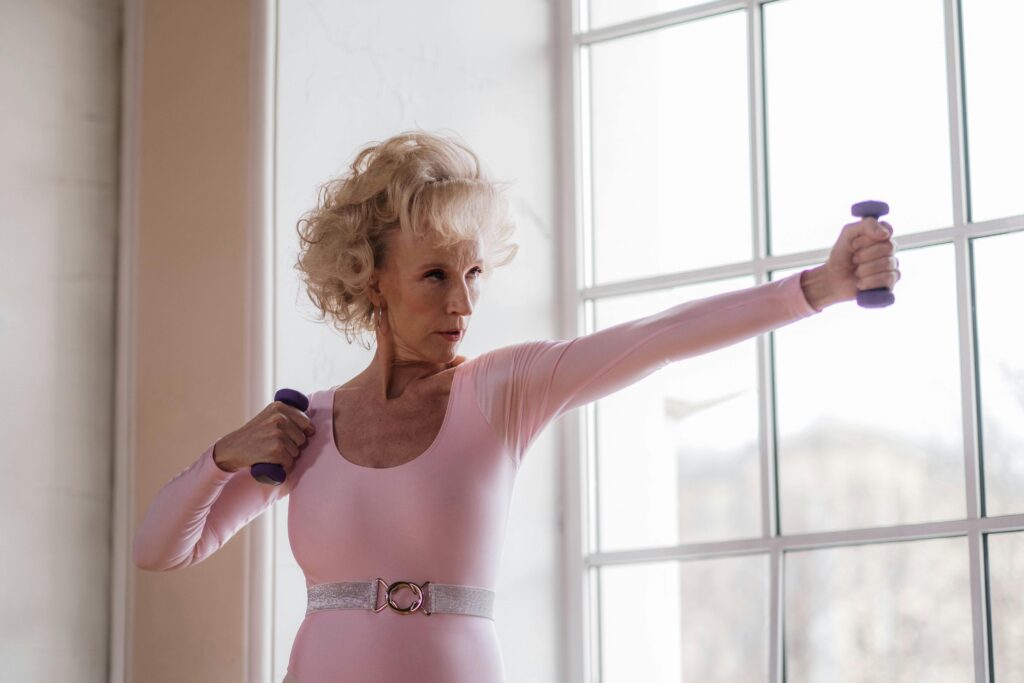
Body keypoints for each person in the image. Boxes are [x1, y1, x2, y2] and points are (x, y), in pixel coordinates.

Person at [132, 130, 900, 683]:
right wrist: (224, 454)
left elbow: (660, 336)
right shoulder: (305, 426)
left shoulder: (503, 390)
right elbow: (160, 547)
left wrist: (819, 288)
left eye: (474, 273)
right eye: (436, 274)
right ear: (372, 281)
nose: (464, 301)